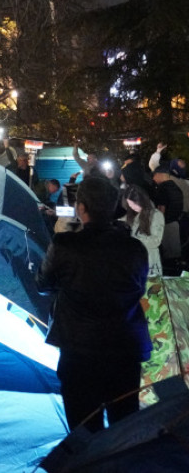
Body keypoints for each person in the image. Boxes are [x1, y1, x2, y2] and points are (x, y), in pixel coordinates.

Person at [36, 175, 150, 432]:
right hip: (125, 349)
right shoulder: (135, 248)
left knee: (84, 429)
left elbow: (43, 285)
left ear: (81, 207)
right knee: (124, 428)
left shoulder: (65, 244)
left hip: (79, 350)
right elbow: (138, 289)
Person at [122, 184, 164, 277]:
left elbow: (156, 241)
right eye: (129, 204)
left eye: (134, 204)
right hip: (134, 260)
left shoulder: (156, 215)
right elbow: (120, 222)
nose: (132, 207)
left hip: (150, 260)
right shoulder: (133, 215)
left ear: (142, 201)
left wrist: (133, 240)